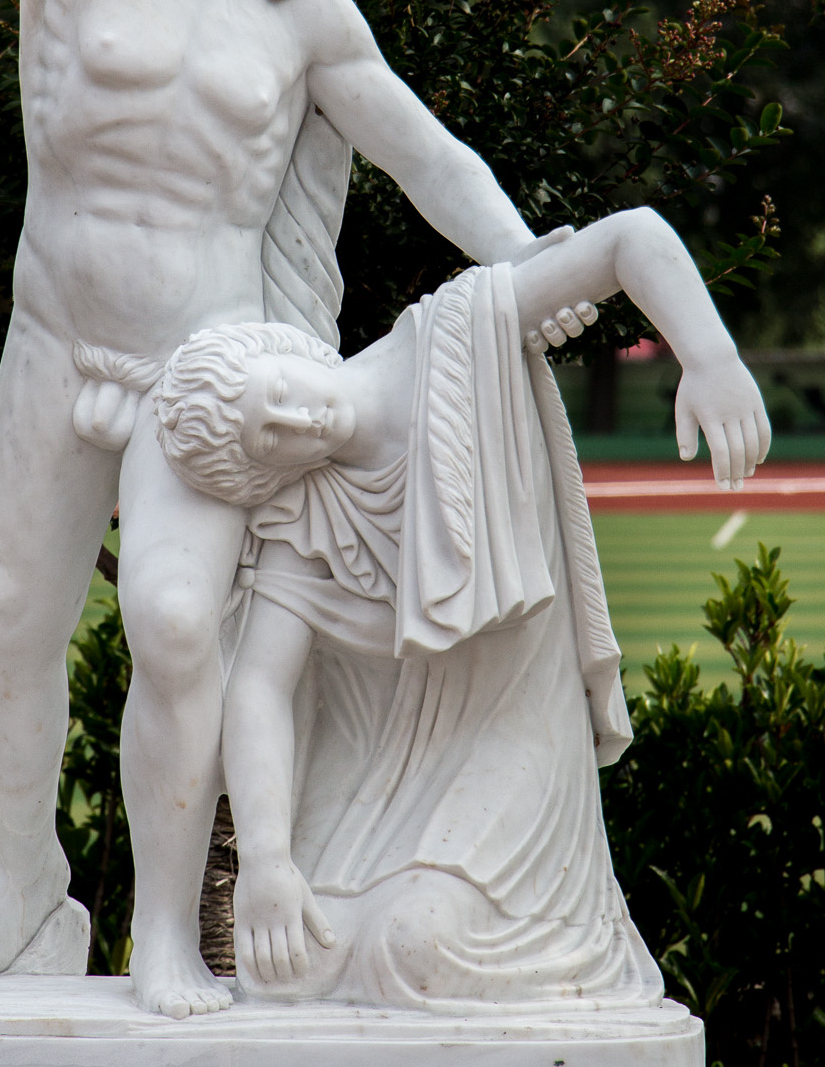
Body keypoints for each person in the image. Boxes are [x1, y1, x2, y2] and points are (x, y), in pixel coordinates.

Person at [0, 0, 584, 1019]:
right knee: (17, 619)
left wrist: (531, 262)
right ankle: (27, 881)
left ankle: (168, 931)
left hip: (203, 377)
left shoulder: (297, 0)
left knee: (177, 628)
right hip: (57, 339)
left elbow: (423, 154)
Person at [156, 208, 770, 1008]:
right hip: (387, 774)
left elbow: (633, 238)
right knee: (299, 962)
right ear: (262, 474)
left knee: (416, 947)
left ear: (282, 352)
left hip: (512, 733)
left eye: (277, 394)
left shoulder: (451, 339)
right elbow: (258, 687)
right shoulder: (306, 508)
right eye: (268, 438)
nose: (299, 421)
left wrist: (712, 359)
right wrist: (267, 864)